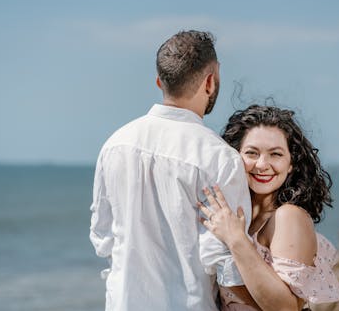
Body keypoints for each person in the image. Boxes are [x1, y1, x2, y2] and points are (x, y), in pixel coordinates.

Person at [90, 31, 293, 311]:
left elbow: (103, 239)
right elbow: (227, 266)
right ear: (210, 82)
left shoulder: (115, 145)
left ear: (160, 82)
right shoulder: (220, 158)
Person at [198, 105, 339, 310]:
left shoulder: (287, 216)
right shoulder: (237, 217)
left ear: (291, 163)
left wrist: (236, 240)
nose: (262, 164)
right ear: (235, 157)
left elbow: (286, 308)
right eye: (252, 153)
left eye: (275, 154)